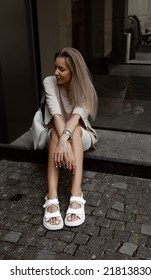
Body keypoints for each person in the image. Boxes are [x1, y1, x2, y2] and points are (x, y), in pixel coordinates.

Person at [42, 47, 98, 230]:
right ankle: (51, 198)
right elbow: (56, 115)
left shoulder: (84, 87)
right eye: (55, 67)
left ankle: (76, 194)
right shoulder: (49, 82)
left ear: (74, 71)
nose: (56, 73)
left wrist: (64, 140)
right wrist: (62, 141)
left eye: (62, 69)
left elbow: (75, 118)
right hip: (57, 132)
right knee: (54, 134)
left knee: (73, 132)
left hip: (81, 135)